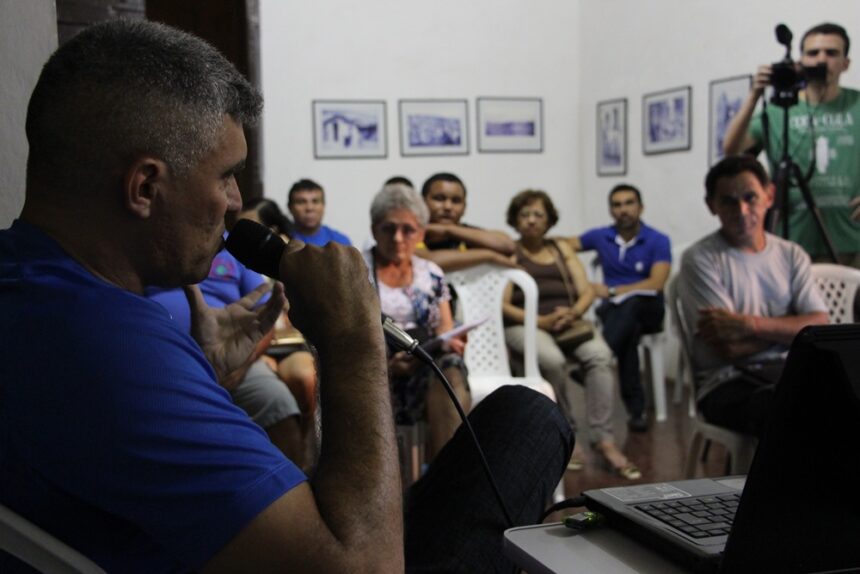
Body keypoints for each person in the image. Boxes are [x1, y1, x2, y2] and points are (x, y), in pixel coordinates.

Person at [1, 21, 573, 572]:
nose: (235, 202)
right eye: (226, 175)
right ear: (145, 187)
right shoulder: (110, 345)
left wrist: (206, 376)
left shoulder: (30, 290)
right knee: (531, 418)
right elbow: (366, 568)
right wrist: (351, 337)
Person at [677, 155, 829, 436]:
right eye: (728, 201)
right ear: (711, 205)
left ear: (769, 196)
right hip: (726, 382)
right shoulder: (700, 259)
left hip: (788, 370)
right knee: (790, 407)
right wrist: (793, 330)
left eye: (750, 197)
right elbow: (727, 347)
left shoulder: (791, 254)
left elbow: (820, 325)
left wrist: (749, 325)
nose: (742, 210)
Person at [503, 189, 641, 480]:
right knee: (551, 361)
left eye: (538, 214)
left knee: (601, 356)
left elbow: (586, 289)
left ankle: (603, 438)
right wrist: (539, 320)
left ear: (549, 219)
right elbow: (502, 304)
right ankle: (568, 434)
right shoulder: (510, 252)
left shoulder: (560, 248)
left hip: (568, 323)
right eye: (524, 214)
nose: (531, 220)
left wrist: (573, 313)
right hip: (525, 323)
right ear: (515, 220)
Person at [146, 247, 307, 465]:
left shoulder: (237, 251)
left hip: (238, 361)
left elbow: (266, 318)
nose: (233, 210)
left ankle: (295, 483)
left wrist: (239, 366)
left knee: (276, 399)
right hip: (162, 359)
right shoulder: (153, 243)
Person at [723, 22, 860, 267]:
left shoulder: (857, 104)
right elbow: (731, 149)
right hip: (792, 239)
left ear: (845, 63)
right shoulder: (778, 111)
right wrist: (754, 96)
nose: (821, 60)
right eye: (813, 53)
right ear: (800, 62)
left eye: (831, 53)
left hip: (851, 238)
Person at [363, 183, 472, 458]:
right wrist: (387, 365)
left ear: (421, 233)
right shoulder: (357, 271)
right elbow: (346, 334)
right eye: (389, 228)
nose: (398, 238)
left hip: (422, 366)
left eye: (408, 230)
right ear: (374, 229)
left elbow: (444, 330)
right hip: (371, 369)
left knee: (451, 368)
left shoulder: (430, 273)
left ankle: (447, 475)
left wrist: (452, 342)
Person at [567, 184, 671, 432]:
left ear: (640, 207)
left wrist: (613, 291)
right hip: (616, 313)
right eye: (617, 204)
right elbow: (565, 245)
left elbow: (657, 283)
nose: (623, 209)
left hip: (649, 308)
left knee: (633, 305)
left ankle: (597, 357)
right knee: (628, 334)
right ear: (611, 210)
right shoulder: (601, 236)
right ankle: (636, 411)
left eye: (629, 203)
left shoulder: (658, 240)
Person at [417, 172, 517, 271]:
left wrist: (447, 230)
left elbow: (508, 246)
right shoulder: (410, 233)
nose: (448, 206)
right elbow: (429, 262)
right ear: (422, 202)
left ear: (464, 207)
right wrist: (489, 255)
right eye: (439, 199)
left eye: (456, 201)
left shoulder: (466, 233)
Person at [286, 178, 352, 246]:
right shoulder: (282, 240)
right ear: (290, 207)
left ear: (323, 206)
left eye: (315, 201)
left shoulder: (341, 242)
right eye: (301, 202)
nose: (309, 208)